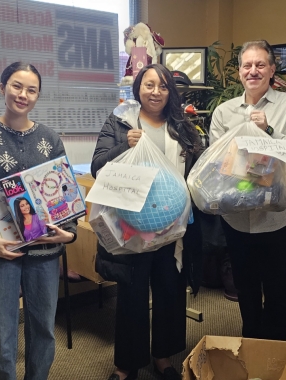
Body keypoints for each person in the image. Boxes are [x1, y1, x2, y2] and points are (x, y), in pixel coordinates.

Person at [0, 62, 77, 380]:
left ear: (38, 95)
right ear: (2, 87)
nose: (23, 95)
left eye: (31, 89)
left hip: (44, 253)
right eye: (16, 86)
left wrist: (69, 233)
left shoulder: (49, 139)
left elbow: (64, 194)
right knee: (0, 337)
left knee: (43, 331)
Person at [92, 63, 204, 380]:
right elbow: (97, 165)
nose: (156, 92)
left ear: (171, 92)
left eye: (163, 86)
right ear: (138, 88)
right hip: (131, 226)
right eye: (149, 85)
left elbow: (197, 167)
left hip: (173, 227)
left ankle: (163, 357)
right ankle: (127, 364)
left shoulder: (183, 125)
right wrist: (122, 145)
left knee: (170, 293)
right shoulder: (119, 121)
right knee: (132, 296)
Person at [209, 40, 286, 341]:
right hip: (236, 218)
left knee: (276, 289)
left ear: (271, 70)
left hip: (276, 218)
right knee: (246, 290)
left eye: (260, 65)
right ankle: (251, 347)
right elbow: (217, 165)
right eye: (246, 65)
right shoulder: (224, 112)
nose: (252, 71)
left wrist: (270, 133)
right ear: (239, 72)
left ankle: (275, 355)